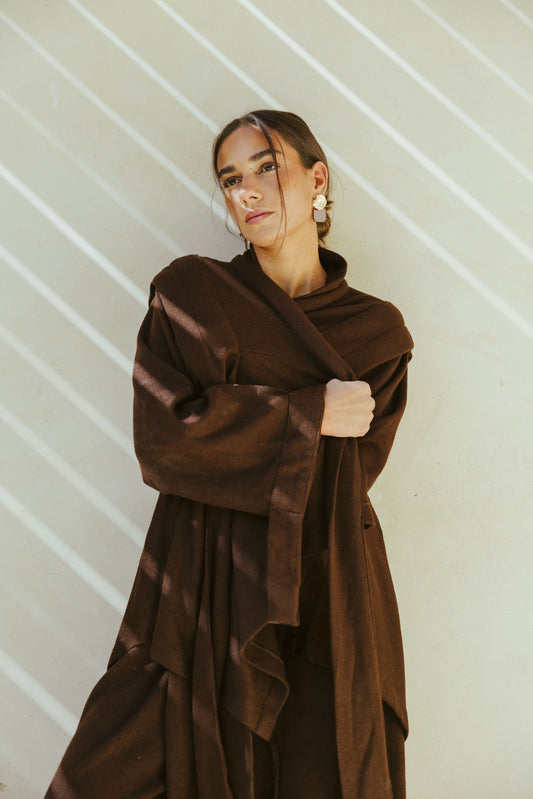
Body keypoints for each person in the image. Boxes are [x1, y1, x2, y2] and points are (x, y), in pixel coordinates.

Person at [45, 110, 413, 799]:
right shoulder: (191, 293)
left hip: (325, 580)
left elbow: (346, 475)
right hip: (199, 579)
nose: (247, 190)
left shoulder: (376, 333)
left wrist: (241, 417)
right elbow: (165, 441)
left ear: (317, 180)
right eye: (230, 178)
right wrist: (309, 414)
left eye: (266, 167)